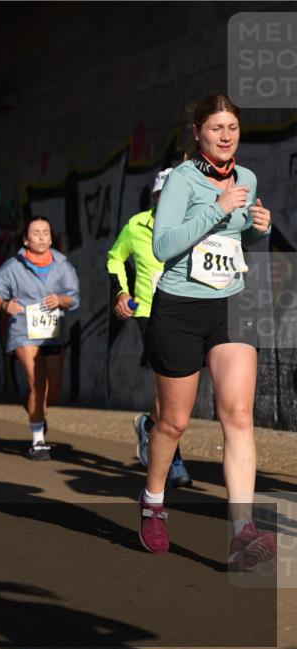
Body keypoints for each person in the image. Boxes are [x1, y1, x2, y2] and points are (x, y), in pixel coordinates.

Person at [140, 93, 274, 569]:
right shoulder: (181, 179)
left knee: (237, 415)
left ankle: (243, 531)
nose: (225, 136)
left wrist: (260, 227)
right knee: (173, 423)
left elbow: (242, 239)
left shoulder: (249, 177)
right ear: (197, 131)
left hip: (231, 304)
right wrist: (216, 208)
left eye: (232, 128)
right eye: (216, 128)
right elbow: (162, 244)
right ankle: (154, 501)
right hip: (179, 307)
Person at [107, 168, 192, 487]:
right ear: (155, 197)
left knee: (182, 393)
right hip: (149, 312)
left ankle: (150, 425)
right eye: (163, 195)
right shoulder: (136, 225)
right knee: (167, 383)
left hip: (189, 310)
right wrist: (122, 292)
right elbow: (115, 258)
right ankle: (173, 458)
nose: (169, 200)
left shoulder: (196, 224)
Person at [0, 216, 80, 461]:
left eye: (45, 233)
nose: (41, 237)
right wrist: (5, 304)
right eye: (36, 233)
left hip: (52, 333)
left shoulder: (63, 265)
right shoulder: (11, 267)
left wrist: (61, 300)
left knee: (54, 391)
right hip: (24, 331)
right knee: (37, 384)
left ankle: (34, 409)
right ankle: (38, 442)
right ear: (26, 239)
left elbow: (74, 298)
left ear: (51, 238)